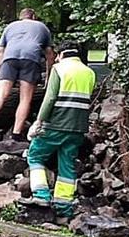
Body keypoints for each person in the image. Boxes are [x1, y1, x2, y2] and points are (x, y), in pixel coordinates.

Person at [23, 41, 96, 218]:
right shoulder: (90, 73)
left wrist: (38, 122)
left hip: (56, 124)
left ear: (61, 54)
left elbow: (49, 99)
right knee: (67, 164)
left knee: (35, 156)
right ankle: (63, 206)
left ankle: (41, 195)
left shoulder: (59, 69)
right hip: (77, 128)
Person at [0, 8, 54, 143]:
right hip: (31, 58)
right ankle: (16, 134)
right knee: (25, 99)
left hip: (9, 58)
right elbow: (49, 55)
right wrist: (49, 76)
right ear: (34, 16)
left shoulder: (10, 27)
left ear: (20, 17)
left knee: (0, 94)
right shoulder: (42, 27)